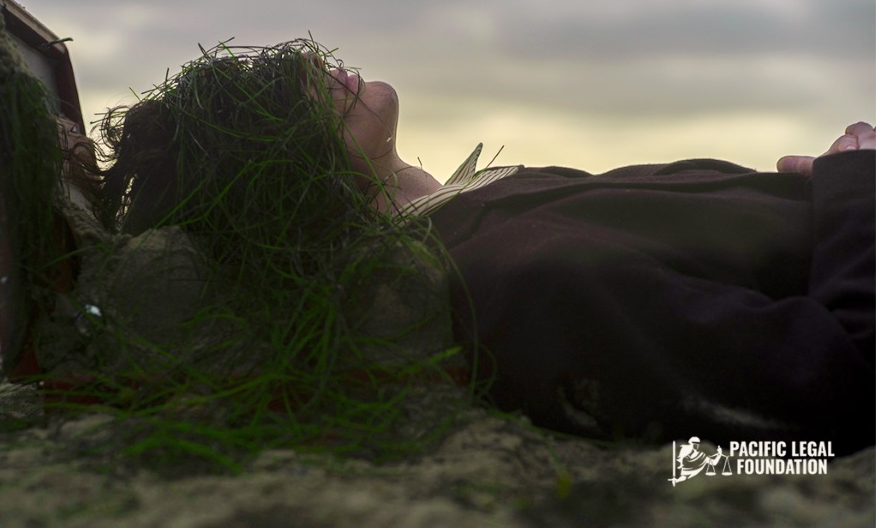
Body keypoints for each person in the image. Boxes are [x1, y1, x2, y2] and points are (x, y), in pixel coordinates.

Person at [93, 41, 875, 455]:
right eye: (253, 101)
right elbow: (823, 416)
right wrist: (854, 189)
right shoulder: (517, 273)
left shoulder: (492, 207)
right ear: (276, 188)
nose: (294, 62)